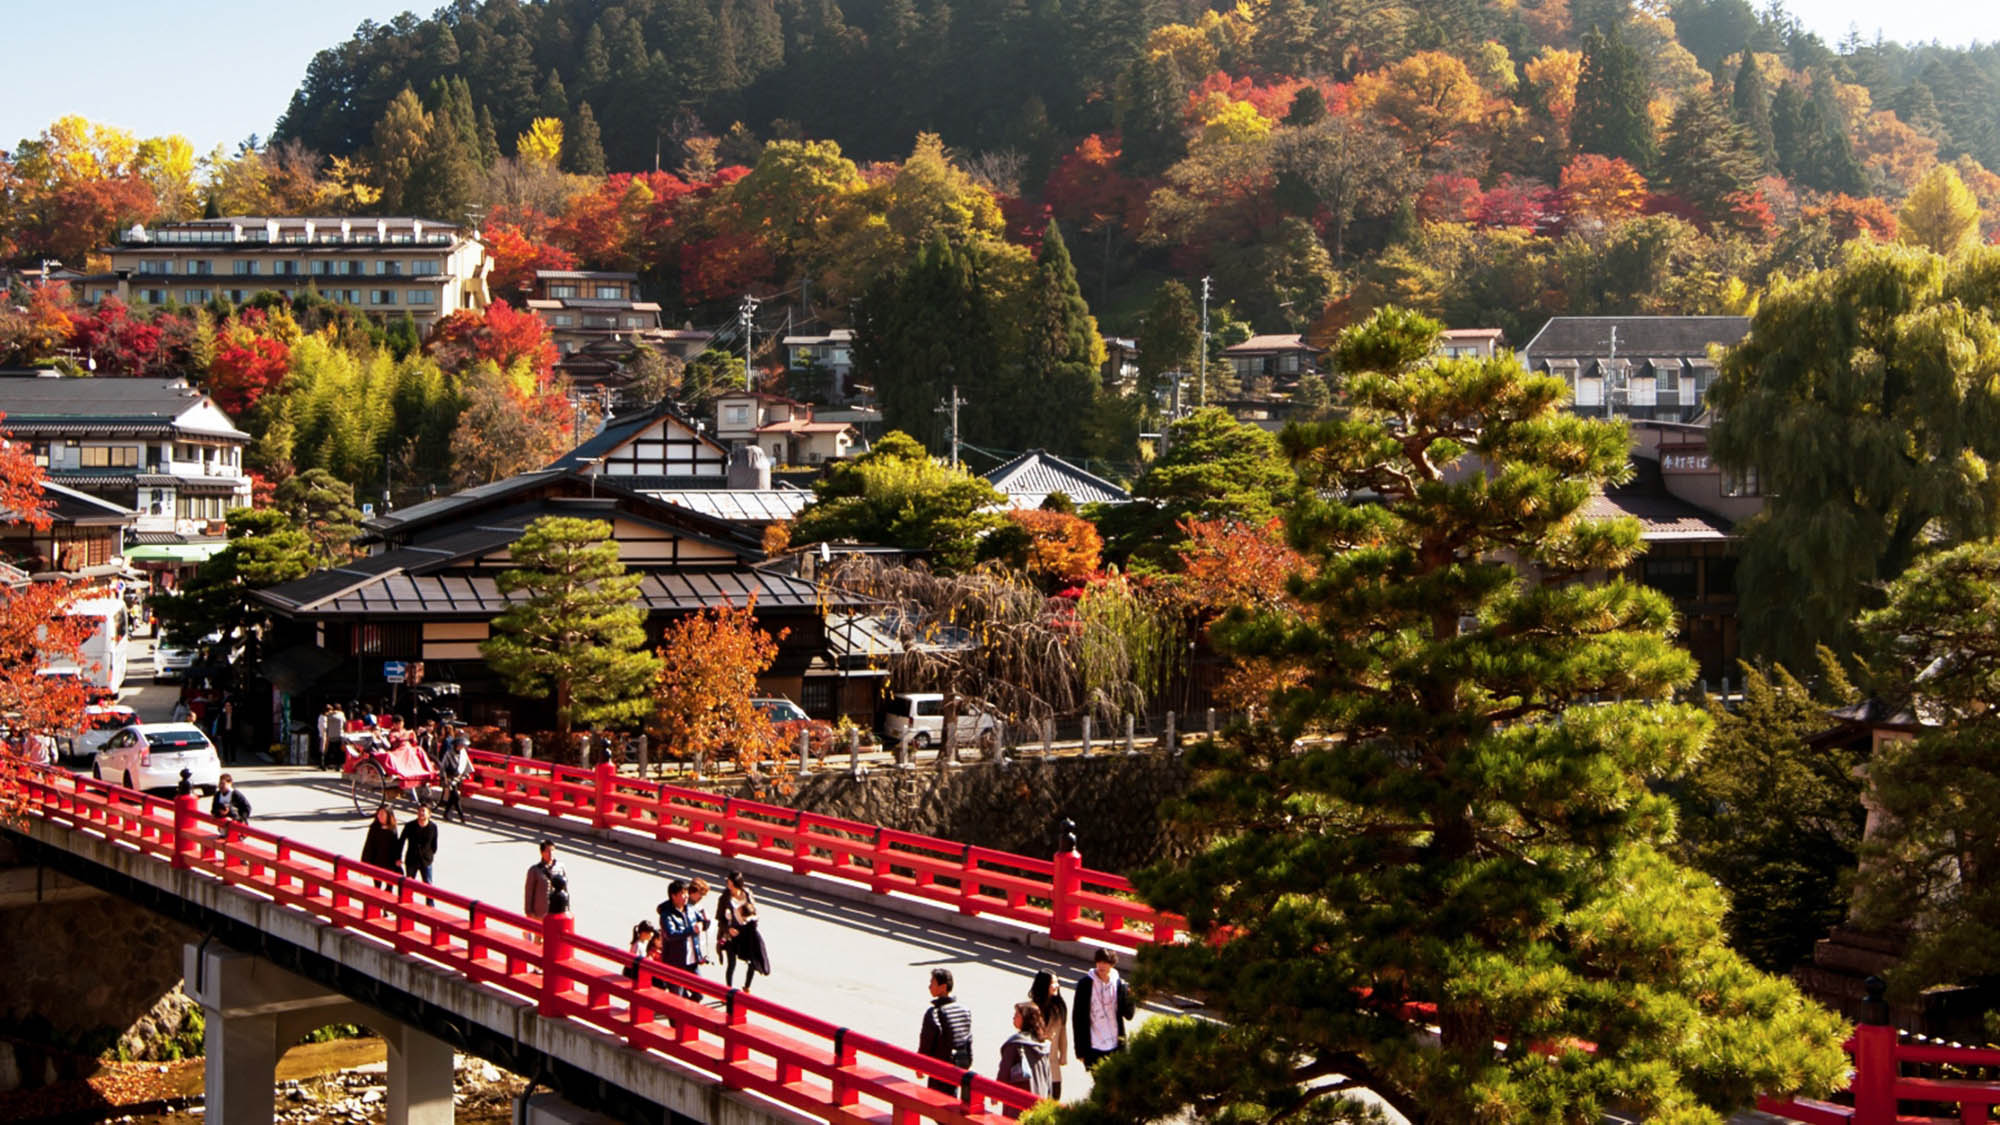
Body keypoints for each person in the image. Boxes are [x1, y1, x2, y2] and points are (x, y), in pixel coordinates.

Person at [1071, 948, 1134, 1069]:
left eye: (1105, 962)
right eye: (1099, 962)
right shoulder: (1085, 984)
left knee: (1117, 1084)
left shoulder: (1120, 984)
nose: (1101, 966)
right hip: (1094, 1045)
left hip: (1116, 1044)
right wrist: (1080, 1050)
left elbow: (1129, 1015)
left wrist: (1132, 998)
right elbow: (1077, 1018)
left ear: (1112, 964)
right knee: (1100, 1084)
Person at [917, 967, 974, 1093]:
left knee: (935, 1100)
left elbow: (926, 1041)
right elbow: (968, 1038)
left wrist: (920, 1064)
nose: (929, 986)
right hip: (959, 1063)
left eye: (932, 983)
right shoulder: (964, 1010)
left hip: (939, 1067)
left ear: (943, 987)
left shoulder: (934, 1013)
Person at [718, 870, 771, 992]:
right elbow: (720, 918)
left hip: (746, 933)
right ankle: (728, 990)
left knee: (752, 962)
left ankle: (746, 987)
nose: (728, 884)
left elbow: (754, 911)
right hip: (731, 934)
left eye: (730, 882)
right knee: (731, 964)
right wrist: (728, 929)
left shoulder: (747, 893)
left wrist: (751, 922)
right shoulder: (725, 898)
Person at [996, 1001, 1053, 1108]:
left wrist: (996, 1093)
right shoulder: (1043, 1044)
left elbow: (1004, 1071)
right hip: (1040, 1096)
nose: (1013, 1017)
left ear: (1026, 1019)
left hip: (1018, 1099)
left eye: (1017, 1015)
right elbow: (1048, 1074)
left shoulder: (1015, 1044)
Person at [656, 880, 705, 996]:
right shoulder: (667, 915)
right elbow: (671, 934)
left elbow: (702, 920)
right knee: (677, 996)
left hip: (692, 961)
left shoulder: (690, 909)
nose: (686, 896)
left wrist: (702, 924)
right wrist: (691, 930)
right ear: (673, 896)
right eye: (682, 894)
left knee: (699, 993)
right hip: (676, 962)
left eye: (687, 893)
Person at [1029, 970, 1069, 1099]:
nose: (1056, 986)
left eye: (1057, 982)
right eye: (1053, 983)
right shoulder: (1032, 1009)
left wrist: (1063, 1054)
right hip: (1036, 1063)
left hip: (1053, 1063)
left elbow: (1063, 1032)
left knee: (1054, 1097)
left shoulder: (1059, 1008)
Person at [398, 803, 439, 905]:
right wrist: (398, 857)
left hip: (426, 861)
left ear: (429, 814)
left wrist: (429, 856)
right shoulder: (409, 826)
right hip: (412, 860)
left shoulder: (433, 827)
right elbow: (401, 842)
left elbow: (434, 845)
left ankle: (430, 906)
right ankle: (405, 903)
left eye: (424, 811)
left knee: (428, 885)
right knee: (408, 884)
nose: (421, 813)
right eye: (420, 811)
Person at [523, 839, 569, 925]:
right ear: (542, 852)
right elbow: (529, 892)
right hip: (540, 913)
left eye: (552, 851)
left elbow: (565, 889)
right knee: (538, 935)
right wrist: (528, 911)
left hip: (556, 912)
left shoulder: (560, 867)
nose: (551, 854)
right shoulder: (535, 870)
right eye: (548, 851)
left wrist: (566, 907)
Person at [360, 804, 401, 890]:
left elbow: (396, 846)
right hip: (377, 861)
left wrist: (398, 859)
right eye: (379, 814)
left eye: (382, 814)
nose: (379, 816)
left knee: (389, 886)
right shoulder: (374, 827)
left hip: (389, 863)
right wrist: (365, 861)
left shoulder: (392, 829)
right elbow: (368, 845)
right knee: (377, 886)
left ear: (388, 815)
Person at [436, 729, 471, 824]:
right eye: (460, 745)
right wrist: (444, 778)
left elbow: (465, 765)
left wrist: (466, 774)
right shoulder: (449, 753)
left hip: (458, 777)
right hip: (449, 777)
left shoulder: (463, 753)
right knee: (456, 796)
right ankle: (462, 817)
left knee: (453, 798)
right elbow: (443, 766)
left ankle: (446, 813)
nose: (462, 747)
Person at [319, 703, 346, 771]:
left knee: (329, 751)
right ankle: (338, 766)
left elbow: (326, 725)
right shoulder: (342, 715)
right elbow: (345, 724)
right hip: (339, 735)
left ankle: (325, 765)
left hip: (331, 736)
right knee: (339, 752)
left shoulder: (328, 716)